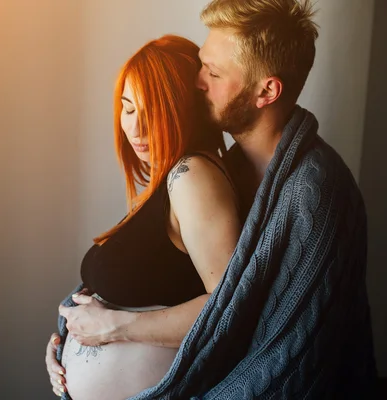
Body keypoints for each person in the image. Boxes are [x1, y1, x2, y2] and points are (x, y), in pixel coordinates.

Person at [47, 0, 377, 399]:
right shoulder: (225, 167)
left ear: (266, 91)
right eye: (203, 64)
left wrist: (114, 329)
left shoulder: (317, 193)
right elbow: (155, 280)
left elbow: (280, 349)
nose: (197, 81)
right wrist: (73, 330)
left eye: (214, 73)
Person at [44, 34, 242, 400]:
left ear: (186, 109)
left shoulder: (192, 176)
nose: (135, 128)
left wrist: (114, 329)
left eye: (152, 112)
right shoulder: (165, 182)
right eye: (128, 108)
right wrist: (67, 344)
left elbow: (228, 306)